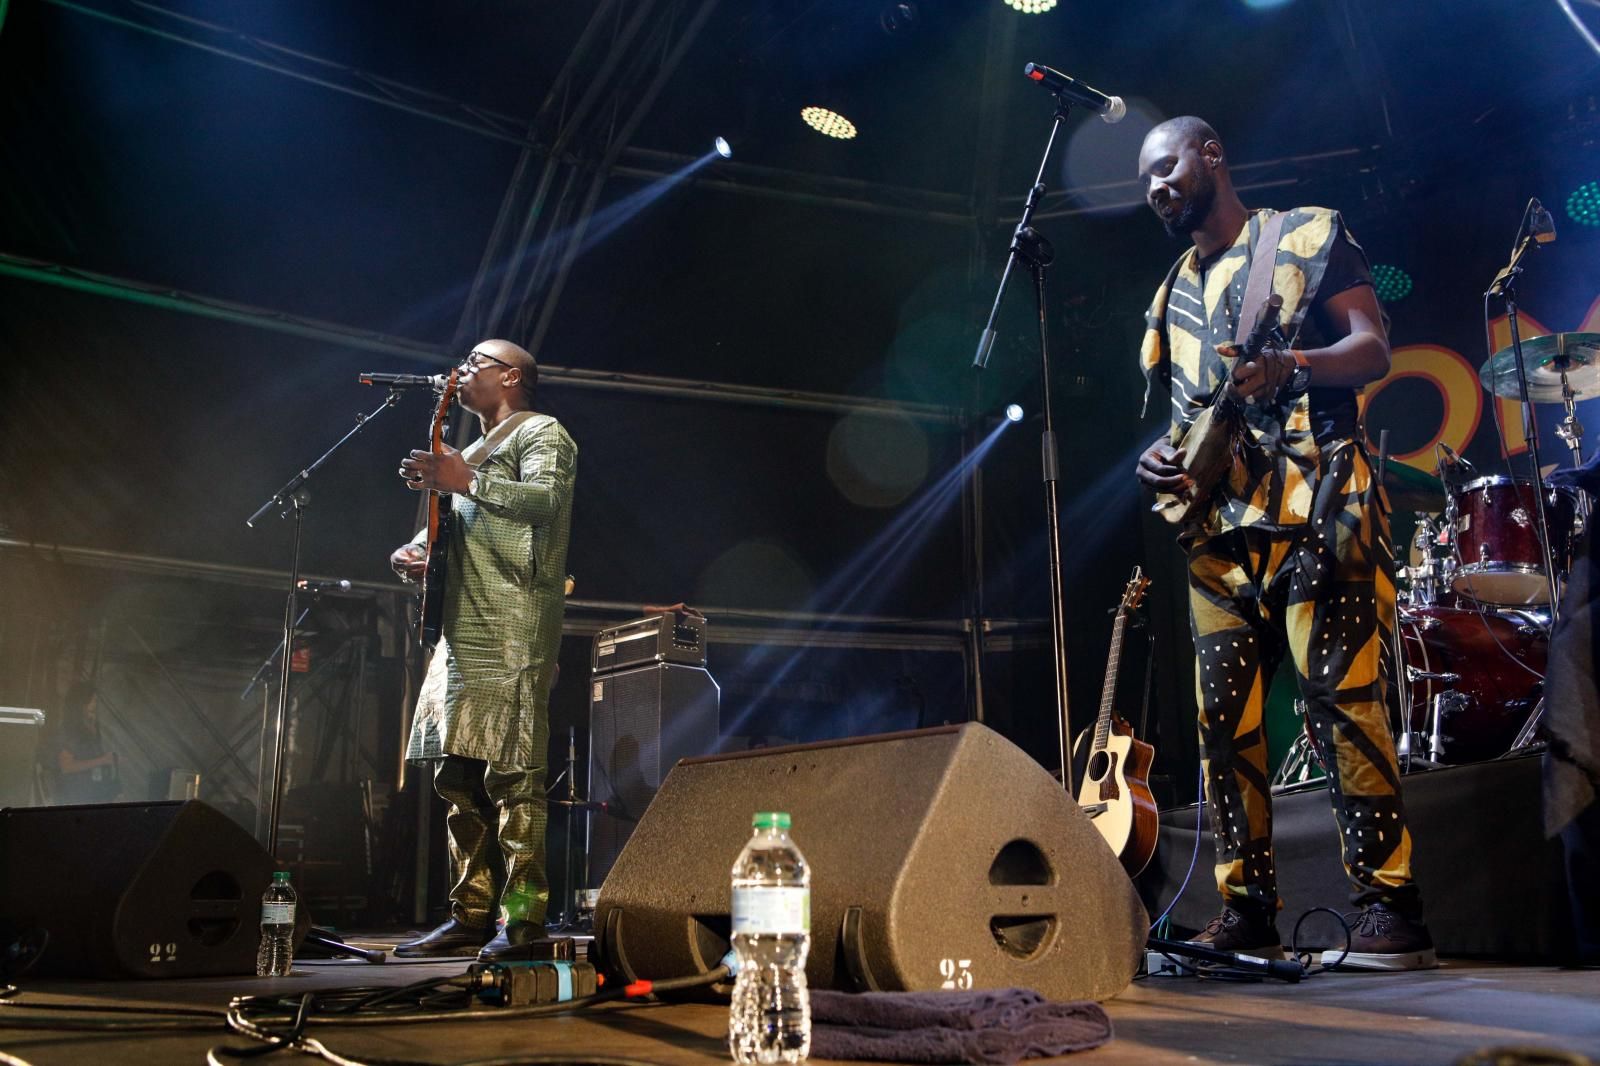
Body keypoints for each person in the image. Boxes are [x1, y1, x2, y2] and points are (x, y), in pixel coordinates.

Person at [1132, 117, 1434, 970]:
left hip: (1320, 506)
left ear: (1211, 155)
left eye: (1167, 166)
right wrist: (1161, 456)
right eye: (1145, 180)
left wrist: (1292, 365)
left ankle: (1389, 904)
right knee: (1222, 726)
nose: (1156, 186)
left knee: (1343, 700)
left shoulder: (1304, 233)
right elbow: (1185, 417)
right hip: (1216, 534)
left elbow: (1373, 348)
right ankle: (1245, 908)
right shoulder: (1168, 295)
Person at [389, 339, 577, 961]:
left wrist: (463, 477)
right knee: (459, 778)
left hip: (511, 629)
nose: (461, 372)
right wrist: (419, 548)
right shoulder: (471, 449)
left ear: (511, 376)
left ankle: (525, 927)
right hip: (461, 633)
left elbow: (546, 503)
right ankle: (470, 915)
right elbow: (461, 518)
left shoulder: (543, 432)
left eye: (475, 363)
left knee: (515, 780)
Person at [55, 680, 119, 804]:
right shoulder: (70, 729)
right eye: (93, 701)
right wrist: (102, 760)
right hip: (75, 796)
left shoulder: (92, 726)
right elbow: (66, 766)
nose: (95, 705)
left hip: (93, 793)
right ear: (81, 703)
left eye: (96, 701)